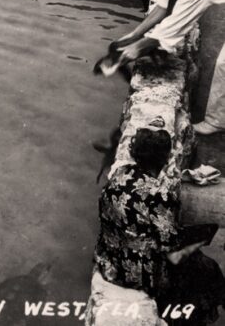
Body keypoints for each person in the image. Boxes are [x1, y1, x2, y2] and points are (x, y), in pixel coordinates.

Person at [94, 127, 223, 319]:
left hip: (110, 260)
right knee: (207, 265)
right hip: (140, 273)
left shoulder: (120, 174)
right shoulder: (160, 195)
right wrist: (201, 235)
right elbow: (170, 246)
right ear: (163, 159)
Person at [111, 0, 225, 135]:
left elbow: (174, 27)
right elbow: (164, 5)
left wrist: (135, 49)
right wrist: (135, 34)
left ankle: (216, 121)